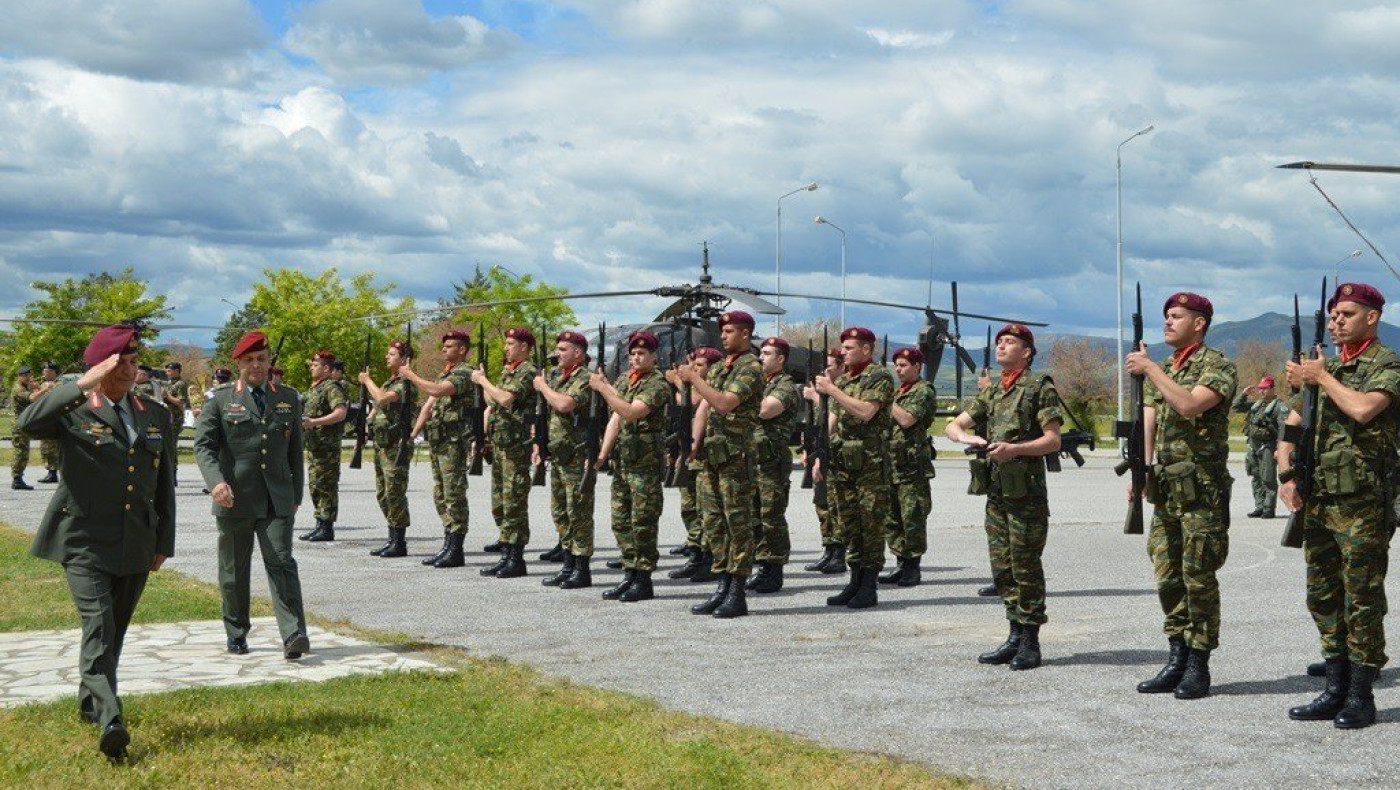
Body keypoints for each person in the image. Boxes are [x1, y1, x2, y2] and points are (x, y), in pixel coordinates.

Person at [20, 325, 175, 759]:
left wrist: (164, 539)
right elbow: (27, 423)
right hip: (83, 540)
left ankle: (90, 704)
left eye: (133, 362)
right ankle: (111, 717)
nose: (128, 371)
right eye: (118, 363)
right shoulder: (75, 409)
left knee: (114, 632)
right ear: (99, 367)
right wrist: (81, 385)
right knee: (99, 625)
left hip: (135, 539)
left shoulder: (153, 412)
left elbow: (164, 481)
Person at [1277, 282, 1400, 730]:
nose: (1336, 322)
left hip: (1364, 504)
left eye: (1346, 314)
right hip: (1320, 500)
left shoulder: (1385, 364)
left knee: (1361, 599)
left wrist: (1322, 379)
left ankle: (1361, 696)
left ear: (1372, 317)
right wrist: (1286, 472)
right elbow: (1294, 422)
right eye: (1333, 316)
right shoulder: (1327, 368)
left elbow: (1365, 409)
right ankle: (1334, 687)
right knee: (1323, 595)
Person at [1124, 292, 1236, 699]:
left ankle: (1198, 664)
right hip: (1167, 489)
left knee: (1198, 577)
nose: (1168, 322)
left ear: (1199, 323)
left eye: (1176, 316)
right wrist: (1142, 467)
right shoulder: (1170, 367)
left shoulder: (1217, 365)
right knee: (1168, 575)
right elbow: (1150, 416)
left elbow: (1189, 405)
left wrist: (1151, 368)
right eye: (1166, 316)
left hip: (1201, 492)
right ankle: (1176, 656)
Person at [946, 326, 1063, 670]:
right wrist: (966, 438)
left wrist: (1015, 449)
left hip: (1026, 492)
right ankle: (1014, 635)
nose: (1001, 346)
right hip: (997, 491)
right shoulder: (994, 390)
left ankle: (1030, 641)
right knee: (1002, 567)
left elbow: (1053, 440)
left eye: (1009, 342)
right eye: (999, 342)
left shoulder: (1039, 387)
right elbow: (954, 425)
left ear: (1026, 352)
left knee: (1026, 566)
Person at [194, 331, 310, 661]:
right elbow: (203, 446)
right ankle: (236, 631)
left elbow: (295, 450)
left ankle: (293, 633)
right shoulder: (219, 399)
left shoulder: (288, 397)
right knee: (233, 569)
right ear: (239, 364)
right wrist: (216, 482)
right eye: (249, 360)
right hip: (234, 498)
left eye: (261, 358)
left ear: (270, 361)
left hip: (277, 498)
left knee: (282, 561)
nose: (256, 365)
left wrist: (296, 494)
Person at [682, 312, 764, 617]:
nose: (724, 336)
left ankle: (737, 592)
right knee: (714, 523)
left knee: (737, 524)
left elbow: (725, 403)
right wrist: (693, 444)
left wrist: (694, 379)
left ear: (745, 334)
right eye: (723, 331)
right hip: (712, 456)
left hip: (736, 457)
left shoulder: (751, 367)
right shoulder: (720, 368)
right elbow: (703, 405)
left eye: (729, 331)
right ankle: (722, 585)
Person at [812, 327, 895, 610]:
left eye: (849, 348)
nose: (843, 353)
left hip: (870, 464)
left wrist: (832, 389)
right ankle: (855, 580)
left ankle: (868, 585)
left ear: (867, 349)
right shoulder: (846, 379)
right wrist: (820, 454)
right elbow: (833, 420)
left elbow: (866, 412)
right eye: (844, 348)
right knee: (848, 524)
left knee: (870, 524)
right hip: (844, 463)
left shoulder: (879, 376)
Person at [590, 330, 669, 602]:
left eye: (642, 353)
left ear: (654, 356)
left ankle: (643, 579)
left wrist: (603, 388)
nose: (636, 358)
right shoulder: (626, 379)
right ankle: (629, 573)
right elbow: (616, 417)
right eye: (632, 354)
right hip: (624, 463)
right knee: (621, 520)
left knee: (643, 522)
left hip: (645, 465)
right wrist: (602, 453)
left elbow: (631, 412)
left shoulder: (657, 383)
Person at [403, 329, 474, 568]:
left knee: (454, 494)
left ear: (462, 349)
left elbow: (437, 391)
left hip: (454, 443)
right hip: (439, 441)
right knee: (441, 493)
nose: (444, 349)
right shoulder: (446, 373)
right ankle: (448, 543)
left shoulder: (464, 372)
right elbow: (429, 404)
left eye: (449, 346)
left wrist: (411, 375)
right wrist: (414, 433)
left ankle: (456, 549)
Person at [474, 328, 540, 578]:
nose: (506, 348)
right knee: (500, 502)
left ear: (524, 347)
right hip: (502, 444)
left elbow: (504, 399)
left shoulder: (527, 371)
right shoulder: (509, 371)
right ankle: (506, 552)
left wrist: (483, 381)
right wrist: (485, 382)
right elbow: (493, 401)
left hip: (516, 446)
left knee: (514, 502)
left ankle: (515, 558)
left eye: (510, 343)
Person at [535, 330, 596, 588]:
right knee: (560, 512)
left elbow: (564, 405)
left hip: (577, 455)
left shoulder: (585, 378)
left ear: (578, 353)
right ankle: (568, 564)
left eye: (562, 350)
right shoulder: (558, 377)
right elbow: (546, 415)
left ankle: (581, 569)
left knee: (578, 512)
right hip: (559, 454)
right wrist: (539, 445)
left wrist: (542, 386)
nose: (557, 354)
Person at [748, 336, 801, 594]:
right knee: (754, 515)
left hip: (772, 462)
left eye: (767, 353)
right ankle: (762, 566)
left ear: (781, 359)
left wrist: (741, 397)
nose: (761, 357)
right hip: (753, 460)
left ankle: (775, 568)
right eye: (761, 353)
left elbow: (766, 409)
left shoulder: (786, 386)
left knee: (771, 516)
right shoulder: (761, 383)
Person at [882, 347, 937, 587]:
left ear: (917, 367)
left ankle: (913, 567)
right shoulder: (898, 392)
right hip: (892, 464)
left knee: (912, 516)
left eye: (903, 365)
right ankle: (900, 563)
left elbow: (906, 419)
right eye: (896, 365)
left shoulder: (923, 391)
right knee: (892, 517)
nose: (898, 369)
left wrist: (886, 400)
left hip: (911, 467)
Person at [665, 348, 721, 583]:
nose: (695, 369)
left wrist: (680, 381)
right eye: (694, 365)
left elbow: (696, 402)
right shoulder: (695, 386)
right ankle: (696, 553)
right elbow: (683, 402)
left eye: (700, 366)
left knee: (706, 511)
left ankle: (707, 559)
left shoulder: (711, 388)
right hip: (689, 452)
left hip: (707, 456)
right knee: (689, 508)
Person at [358, 339, 418, 558]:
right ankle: (392, 537)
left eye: (392, 354)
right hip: (383, 444)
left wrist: (367, 381)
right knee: (383, 493)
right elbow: (376, 407)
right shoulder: (389, 382)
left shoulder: (406, 384)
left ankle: (399, 541)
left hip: (396, 445)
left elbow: (382, 399)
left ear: (404, 359)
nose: (387, 357)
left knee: (395, 492)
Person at [804, 345, 847, 574]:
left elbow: (830, 425)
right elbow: (814, 424)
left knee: (835, 505)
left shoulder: (841, 391)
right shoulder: (824, 391)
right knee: (822, 504)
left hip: (835, 455)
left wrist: (816, 398)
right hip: (820, 452)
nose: (824, 371)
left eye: (829, 366)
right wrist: (807, 450)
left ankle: (839, 553)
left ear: (841, 367)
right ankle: (829, 549)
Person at [299, 351, 348, 542]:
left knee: (326, 486)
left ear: (326, 368)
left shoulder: (331, 387)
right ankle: (319, 523)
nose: (311, 367)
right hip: (315, 446)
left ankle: (327, 527)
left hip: (327, 448)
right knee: (315, 486)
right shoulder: (314, 389)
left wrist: (314, 422)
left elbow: (340, 413)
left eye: (315, 365)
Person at [1234, 376, 1287, 518]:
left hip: (1268, 446)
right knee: (1256, 476)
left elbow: (1283, 428)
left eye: (1265, 388)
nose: (1262, 391)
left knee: (1268, 478)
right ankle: (1260, 506)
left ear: (1272, 389)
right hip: (1254, 445)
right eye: (1260, 389)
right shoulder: (1256, 406)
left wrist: (1280, 448)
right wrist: (1244, 395)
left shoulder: (1279, 407)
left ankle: (1269, 508)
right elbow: (1236, 407)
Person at [10, 365, 37, 490]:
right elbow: (32, 397)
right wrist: (44, 389)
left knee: (24, 451)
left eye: (29, 375)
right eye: (25, 376)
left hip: (24, 423)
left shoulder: (25, 387)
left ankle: (18, 478)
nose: (28, 378)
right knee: (20, 451)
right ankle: (16, 479)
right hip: (19, 425)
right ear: (19, 376)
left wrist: (36, 388)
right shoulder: (18, 389)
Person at [36, 361, 62, 483]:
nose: (43, 373)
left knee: (53, 446)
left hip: (54, 419)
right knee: (45, 447)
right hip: (44, 419)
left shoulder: (59, 384)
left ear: (52, 372)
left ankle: (54, 472)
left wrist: (49, 389)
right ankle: (51, 472)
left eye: (46, 371)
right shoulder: (43, 384)